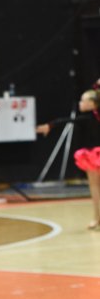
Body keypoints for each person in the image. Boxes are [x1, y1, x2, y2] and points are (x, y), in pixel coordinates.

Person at [36, 89, 100, 229]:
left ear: (92, 103)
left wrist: (50, 125)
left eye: (83, 100)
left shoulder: (88, 118)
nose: (80, 103)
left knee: (95, 187)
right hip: (94, 154)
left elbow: (67, 120)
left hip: (94, 155)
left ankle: (97, 218)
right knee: (95, 187)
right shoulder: (90, 117)